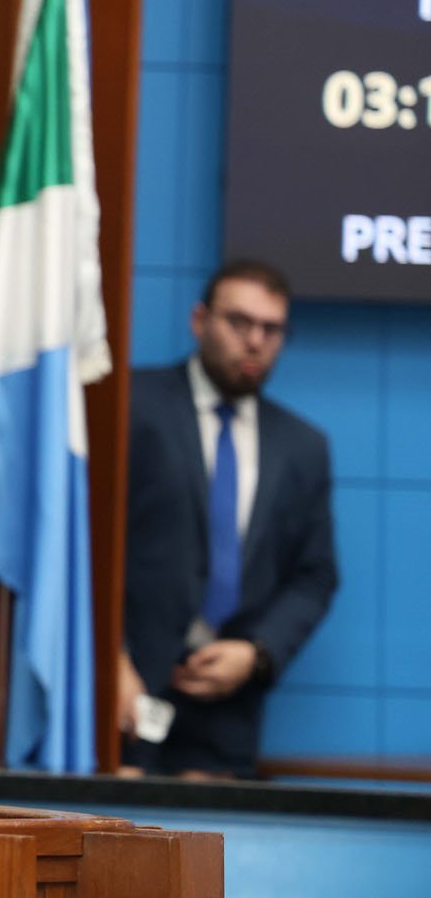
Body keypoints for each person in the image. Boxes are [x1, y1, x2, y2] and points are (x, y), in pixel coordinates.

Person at [118, 259, 337, 778]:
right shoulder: (130, 405)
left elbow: (315, 575)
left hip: (227, 713)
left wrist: (257, 653)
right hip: (125, 690)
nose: (255, 341)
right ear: (200, 321)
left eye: (271, 329)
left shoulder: (303, 447)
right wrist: (109, 661)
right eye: (240, 322)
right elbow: (83, 542)